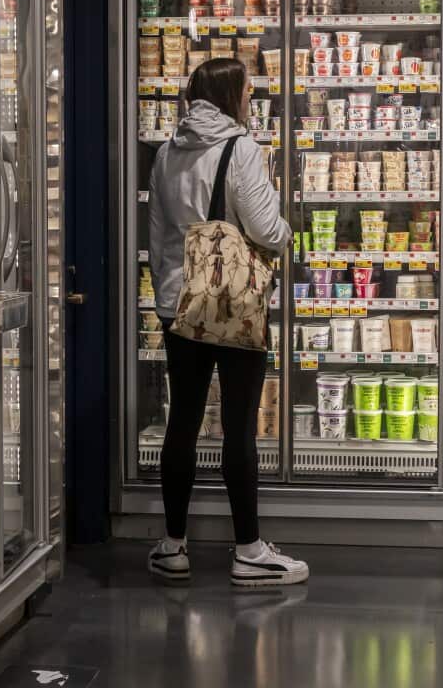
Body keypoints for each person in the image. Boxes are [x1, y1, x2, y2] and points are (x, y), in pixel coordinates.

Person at [145, 58, 307, 586]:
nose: (250, 100)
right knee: (238, 425)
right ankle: (249, 551)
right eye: (247, 91)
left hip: (180, 307)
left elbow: (158, 235)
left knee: (183, 422)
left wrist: (168, 296)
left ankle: (173, 546)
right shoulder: (242, 150)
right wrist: (287, 233)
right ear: (232, 95)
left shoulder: (168, 151)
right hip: (233, 305)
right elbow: (264, 228)